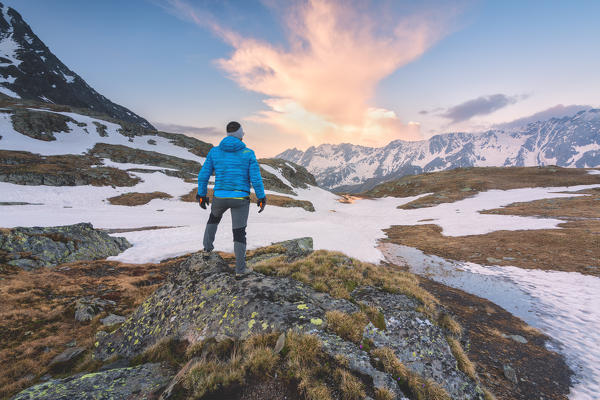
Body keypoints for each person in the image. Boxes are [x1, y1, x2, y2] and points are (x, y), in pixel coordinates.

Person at [196, 121, 267, 277]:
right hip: (240, 199)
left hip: (220, 196)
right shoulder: (248, 153)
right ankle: (240, 270)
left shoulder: (214, 152)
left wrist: (201, 194)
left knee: (213, 219)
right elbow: (255, 178)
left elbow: (203, 175)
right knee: (239, 232)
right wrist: (261, 197)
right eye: (243, 132)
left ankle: (207, 250)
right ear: (240, 134)